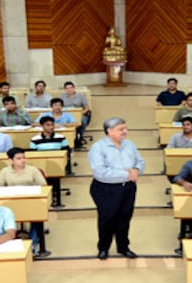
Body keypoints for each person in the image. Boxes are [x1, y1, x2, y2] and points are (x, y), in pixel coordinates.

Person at [87, 117, 144, 260]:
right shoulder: (98, 147)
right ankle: (103, 248)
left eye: (125, 128)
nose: (125, 131)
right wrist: (127, 174)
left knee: (125, 217)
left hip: (128, 188)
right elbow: (100, 172)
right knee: (107, 219)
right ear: (109, 131)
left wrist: (137, 169)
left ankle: (123, 247)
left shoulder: (129, 144)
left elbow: (140, 161)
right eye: (121, 129)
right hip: (106, 189)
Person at [0, 148, 48, 257]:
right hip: (11, 201)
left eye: (23, 157)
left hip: (31, 201)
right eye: (18, 158)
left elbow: (43, 186)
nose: (22, 160)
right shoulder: (4, 171)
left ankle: (33, 245)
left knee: (36, 217)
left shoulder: (33, 170)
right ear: (11, 160)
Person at [30, 116, 71, 207]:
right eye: (48, 125)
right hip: (41, 164)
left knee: (55, 174)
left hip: (57, 164)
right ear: (42, 126)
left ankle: (55, 198)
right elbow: (32, 154)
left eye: (52, 125)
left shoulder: (61, 137)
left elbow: (67, 151)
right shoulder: (35, 139)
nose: (51, 127)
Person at [60, 81, 92, 148]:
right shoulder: (62, 96)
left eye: (71, 88)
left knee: (82, 121)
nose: (69, 89)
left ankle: (78, 137)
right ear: (65, 89)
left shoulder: (80, 96)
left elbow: (86, 107)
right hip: (67, 115)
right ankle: (68, 139)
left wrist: (80, 114)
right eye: (67, 88)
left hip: (80, 114)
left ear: (74, 88)